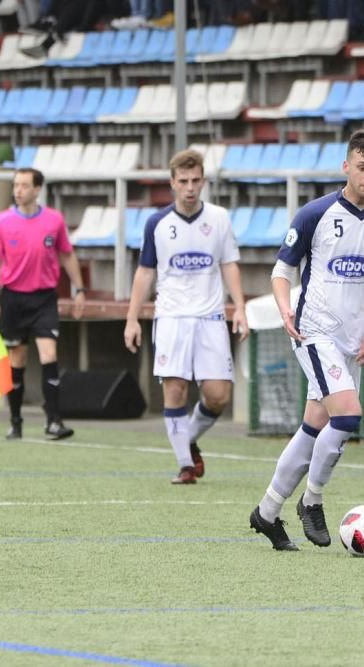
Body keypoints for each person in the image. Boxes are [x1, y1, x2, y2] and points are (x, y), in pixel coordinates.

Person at [249, 129, 364, 551]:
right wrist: (284, 309)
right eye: (362, 167)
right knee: (348, 415)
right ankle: (311, 501)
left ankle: (265, 512)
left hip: (355, 338)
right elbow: (282, 271)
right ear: (346, 167)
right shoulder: (315, 214)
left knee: (315, 425)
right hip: (314, 330)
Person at [123, 149, 249, 485]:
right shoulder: (157, 223)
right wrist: (132, 318)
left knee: (218, 395)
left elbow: (229, 264)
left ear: (203, 181)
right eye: (183, 181)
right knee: (175, 389)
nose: (190, 188)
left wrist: (239, 308)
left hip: (210, 316)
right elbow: (144, 273)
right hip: (172, 317)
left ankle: (187, 438)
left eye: (195, 181)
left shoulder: (219, 218)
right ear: (172, 183)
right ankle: (185, 465)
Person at [0, 167, 86, 441]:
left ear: (38, 189)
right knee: (16, 360)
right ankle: (15, 421)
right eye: (16, 185)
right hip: (13, 298)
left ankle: (53, 421)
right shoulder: (1, 221)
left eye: (24, 185)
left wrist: (79, 289)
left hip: (44, 298)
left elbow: (67, 255)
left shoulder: (54, 220)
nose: (18, 190)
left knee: (49, 354)